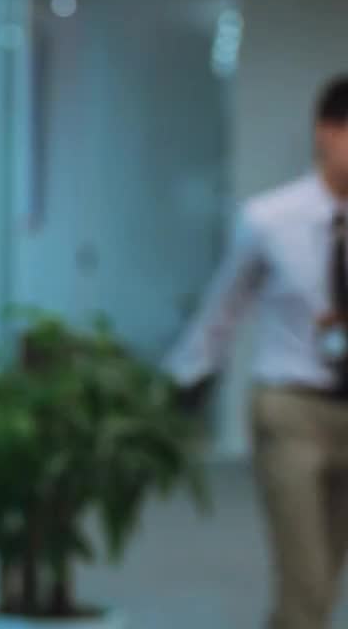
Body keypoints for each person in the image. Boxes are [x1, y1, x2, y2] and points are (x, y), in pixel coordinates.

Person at [165, 75, 348, 629]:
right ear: (326, 132)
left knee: (323, 581)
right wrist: (186, 379)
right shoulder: (270, 218)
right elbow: (221, 309)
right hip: (290, 410)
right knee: (305, 579)